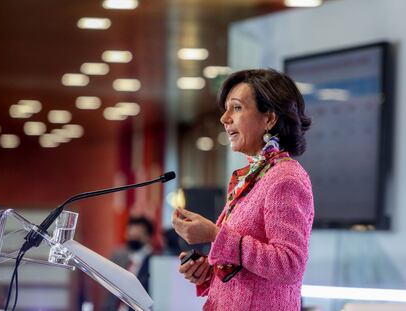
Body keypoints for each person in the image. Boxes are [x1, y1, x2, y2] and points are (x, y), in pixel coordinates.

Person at [172, 68, 314, 311]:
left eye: (236, 108)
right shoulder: (255, 176)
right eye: (226, 109)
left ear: (269, 118)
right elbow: (247, 270)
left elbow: (289, 265)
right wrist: (208, 272)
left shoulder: (285, 178)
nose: (224, 118)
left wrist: (215, 236)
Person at [103, 216, 154, 311]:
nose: (132, 237)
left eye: (137, 235)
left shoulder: (154, 262)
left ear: (148, 236)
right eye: (130, 234)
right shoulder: (119, 256)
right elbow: (110, 290)